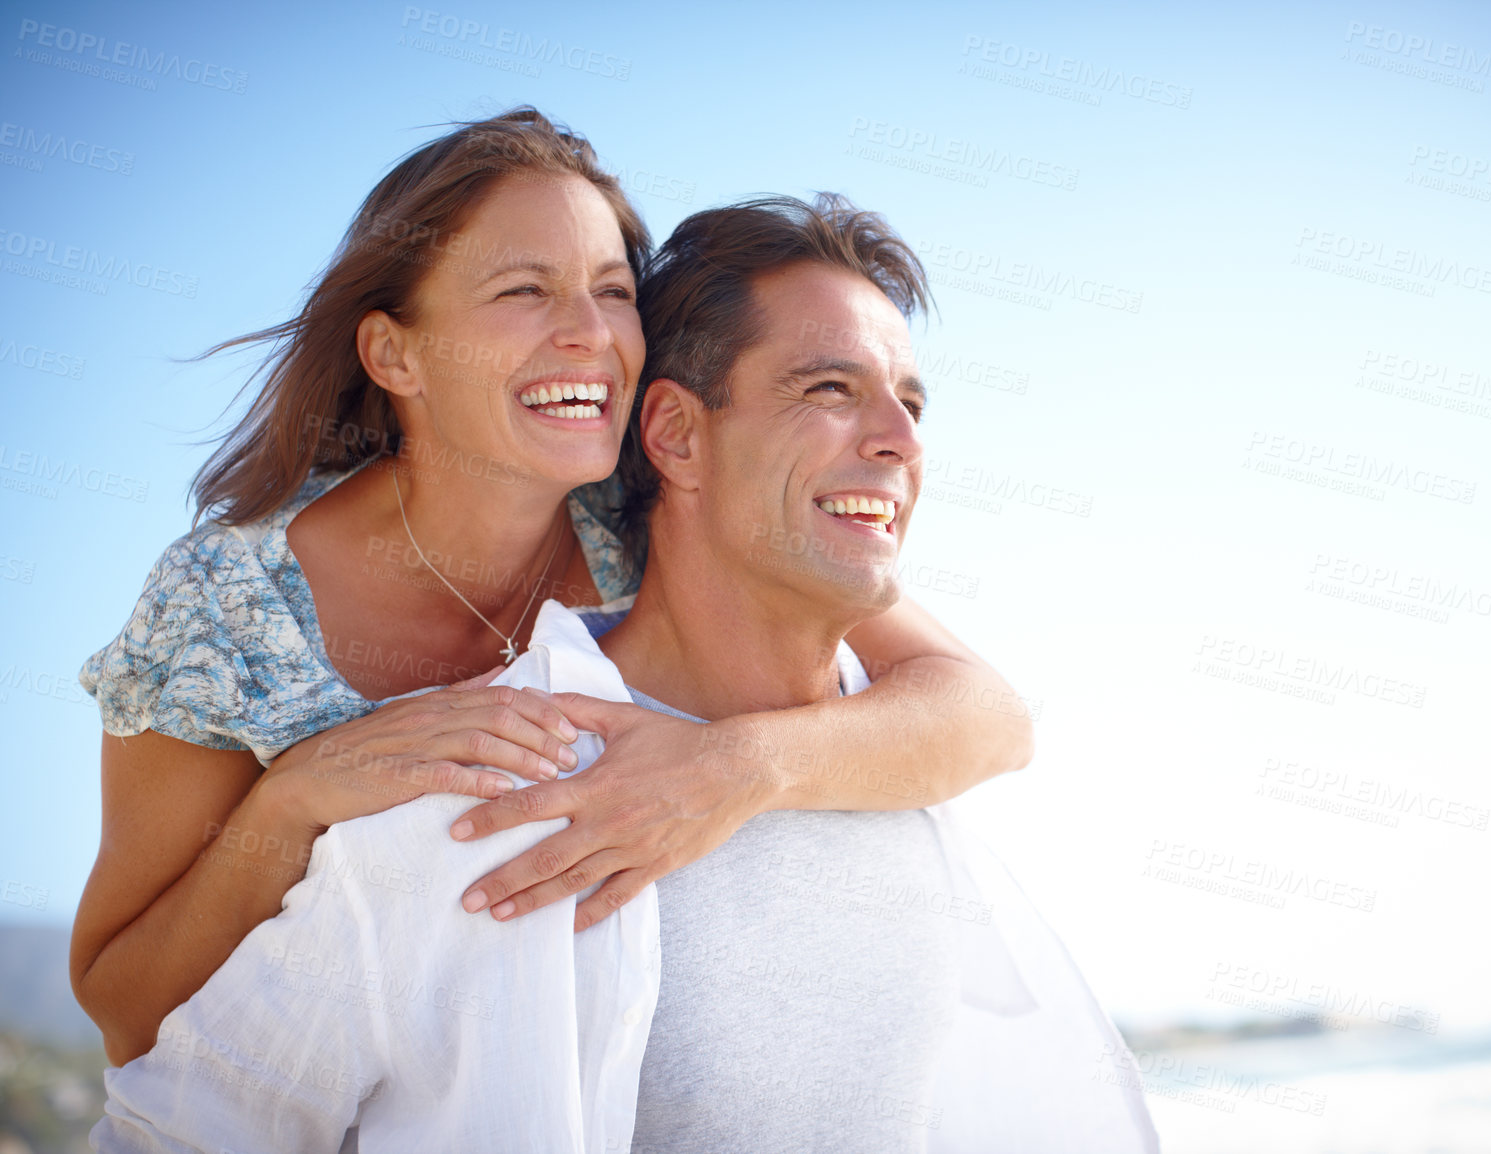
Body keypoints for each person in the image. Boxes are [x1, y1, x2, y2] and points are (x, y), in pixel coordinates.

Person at [93, 194, 1158, 1153]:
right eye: (524, 288)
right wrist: (299, 795)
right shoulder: (245, 614)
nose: (589, 334)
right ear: (394, 353)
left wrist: (735, 765)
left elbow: (988, 712)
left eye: (611, 291)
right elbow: (141, 1035)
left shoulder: (626, 510)